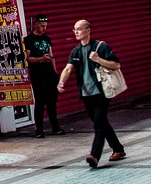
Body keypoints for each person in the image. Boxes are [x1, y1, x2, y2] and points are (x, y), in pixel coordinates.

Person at [57, 19, 126, 169]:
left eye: (79, 29)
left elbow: (116, 64)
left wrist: (98, 59)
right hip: (86, 94)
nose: (76, 32)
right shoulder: (75, 51)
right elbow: (68, 69)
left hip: (101, 92)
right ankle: (118, 149)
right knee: (100, 123)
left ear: (88, 30)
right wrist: (61, 82)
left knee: (99, 124)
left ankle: (94, 156)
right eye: (74, 29)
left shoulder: (100, 47)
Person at [23, 16, 65, 138]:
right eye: (42, 26)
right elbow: (28, 58)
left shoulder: (47, 38)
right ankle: (39, 129)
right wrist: (41, 59)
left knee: (52, 101)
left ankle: (55, 127)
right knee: (40, 102)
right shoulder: (29, 39)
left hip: (49, 73)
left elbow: (51, 56)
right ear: (35, 25)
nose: (44, 29)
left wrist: (55, 73)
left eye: (45, 26)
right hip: (37, 74)